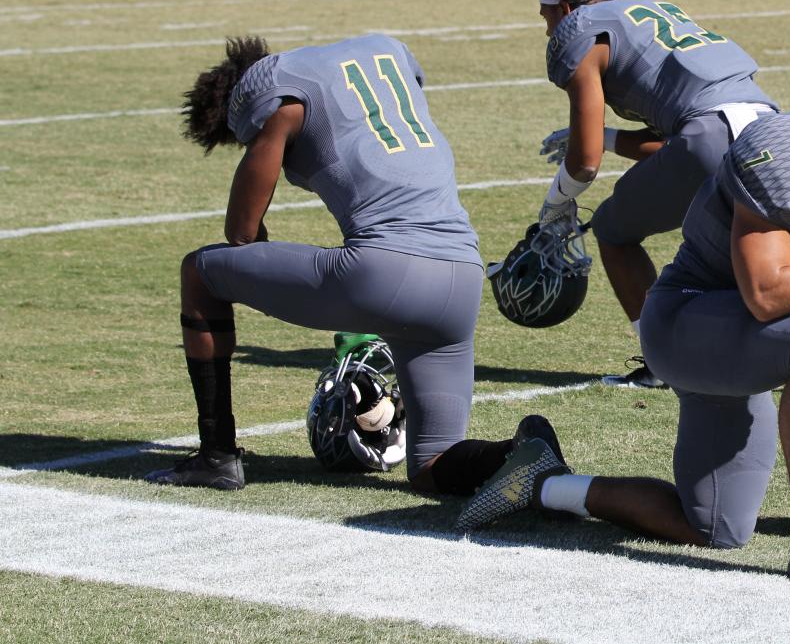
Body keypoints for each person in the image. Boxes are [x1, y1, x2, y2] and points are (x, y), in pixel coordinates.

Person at [459, 104, 790, 593]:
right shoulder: (786, 164)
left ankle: (543, 483)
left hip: (740, 340)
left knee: (715, 527)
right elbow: (766, 294)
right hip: (687, 320)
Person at [146, 34, 530, 498]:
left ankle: (216, 455)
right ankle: (524, 455)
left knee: (200, 273)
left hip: (381, 272)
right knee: (433, 466)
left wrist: (269, 272)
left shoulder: (284, 100)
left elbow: (242, 235)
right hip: (461, 279)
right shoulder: (382, 62)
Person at [532, 0, 779, 387]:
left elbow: (585, 163)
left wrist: (556, 204)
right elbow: (678, 140)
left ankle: (665, 364)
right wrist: (610, 137)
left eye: (547, 16)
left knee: (613, 230)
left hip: (711, 134)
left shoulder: (582, 31)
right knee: (768, 256)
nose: (549, 29)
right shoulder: (650, 15)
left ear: (566, 9)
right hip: (769, 130)